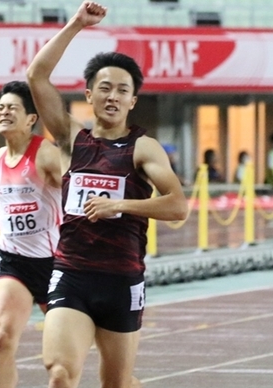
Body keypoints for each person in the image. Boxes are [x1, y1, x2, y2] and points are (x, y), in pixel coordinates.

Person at [26, 2, 188, 387]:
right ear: (89, 95)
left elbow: (178, 205)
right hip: (71, 274)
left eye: (122, 91)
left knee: (116, 384)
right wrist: (76, 24)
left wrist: (120, 204)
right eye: (105, 88)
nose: (112, 96)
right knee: (60, 374)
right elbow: (37, 76)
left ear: (133, 101)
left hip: (121, 280)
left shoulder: (143, 148)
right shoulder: (71, 139)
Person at [0, 81, 62, 388]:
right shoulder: (2, 155)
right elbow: (10, 196)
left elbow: (76, 191)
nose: (3, 112)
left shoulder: (46, 154)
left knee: (60, 359)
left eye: (12, 108)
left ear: (31, 118)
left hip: (56, 264)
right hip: (13, 262)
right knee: (3, 337)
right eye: (0, 108)